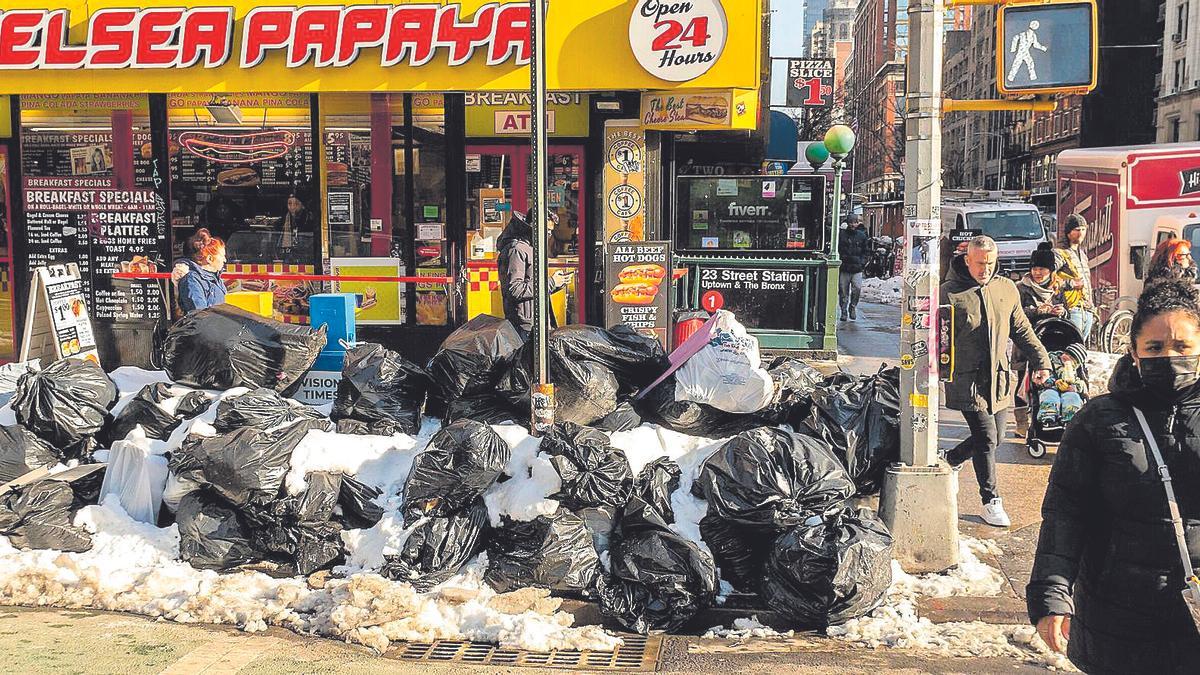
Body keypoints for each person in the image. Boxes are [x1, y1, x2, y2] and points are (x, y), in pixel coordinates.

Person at [1028, 278, 1200, 674]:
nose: (1169, 357)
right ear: (1134, 353)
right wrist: (1052, 596)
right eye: (1155, 348)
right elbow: (1065, 516)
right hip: (1117, 619)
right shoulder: (1098, 420)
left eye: (1182, 347)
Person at [941, 235, 1051, 527]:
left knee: (997, 437)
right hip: (967, 380)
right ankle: (991, 500)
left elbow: (1022, 331)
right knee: (987, 437)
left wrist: (1042, 361)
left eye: (990, 264)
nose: (984, 269)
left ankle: (951, 458)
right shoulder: (949, 293)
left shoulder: (1006, 290)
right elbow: (935, 340)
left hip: (999, 379)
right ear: (968, 260)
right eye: (979, 264)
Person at [1014, 242, 1067, 435]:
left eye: (1042, 269)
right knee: (1023, 383)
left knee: (1048, 382)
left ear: (1051, 271)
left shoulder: (1057, 289)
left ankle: (1045, 417)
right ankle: (1021, 423)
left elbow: (1066, 310)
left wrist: (1062, 312)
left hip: (1051, 341)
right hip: (1026, 343)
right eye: (1034, 268)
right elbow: (1017, 314)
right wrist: (1038, 310)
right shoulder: (1021, 288)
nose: (1037, 272)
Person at [497, 209, 572, 340]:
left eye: (551, 231)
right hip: (525, 324)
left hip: (536, 320)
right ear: (535, 228)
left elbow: (534, 286)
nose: (549, 235)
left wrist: (557, 283)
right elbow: (515, 289)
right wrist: (551, 282)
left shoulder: (530, 248)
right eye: (547, 231)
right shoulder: (517, 250)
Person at [1055, 214, 1095, 342]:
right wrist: (1070, 283)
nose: (1081, 233)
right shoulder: (1059, 253)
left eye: (1083, 229)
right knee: (1069, 349)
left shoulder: (1082, 254)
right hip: (1071, 310)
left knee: (1080, 351)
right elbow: (1047, 278)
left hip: (1086, 310)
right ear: (1068, 232)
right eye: (1077, 229)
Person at [172, 228, 227, 314]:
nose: (225, 260)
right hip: (206, 326)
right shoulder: (192, 280)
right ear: (209, 258)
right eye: (222, 256)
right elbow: (199, 315)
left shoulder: (215, 278)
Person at [838, 214, 870, 322]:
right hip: (844, 267)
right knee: (843, 290)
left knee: (857, 288)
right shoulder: (841, 235)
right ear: (848, 223)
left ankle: (853, 306)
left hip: (857, 268)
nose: (853, 224)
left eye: (855, 222)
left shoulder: (862, 236)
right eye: (851, 222)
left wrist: (862, 263)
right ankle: (843, 310)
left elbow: (866, 251)